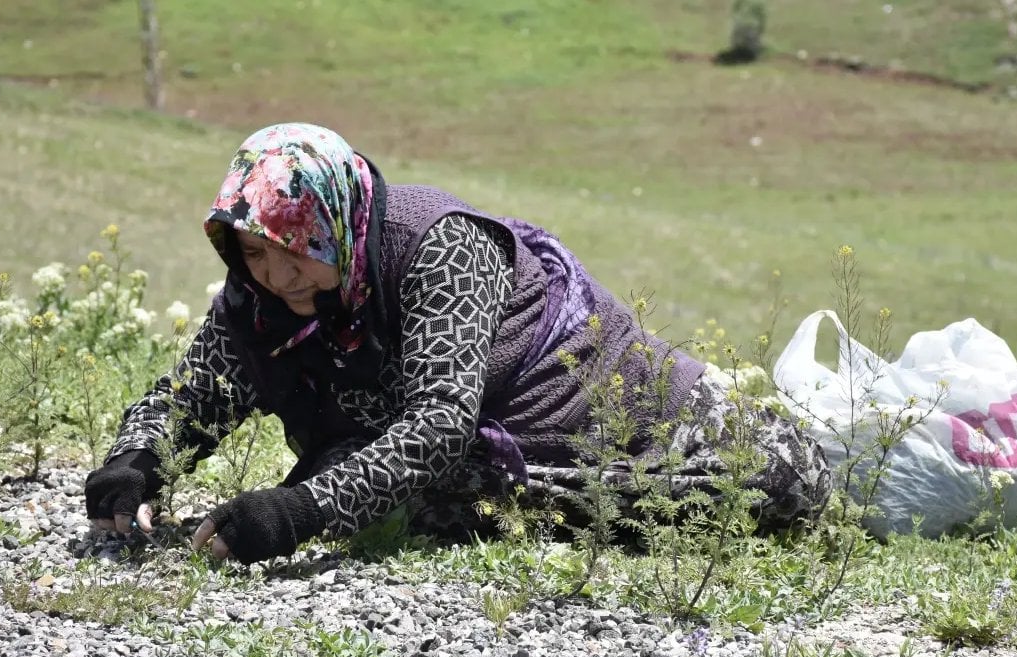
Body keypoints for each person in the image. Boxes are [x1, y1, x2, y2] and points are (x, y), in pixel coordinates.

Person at [84, 123, 831, 565]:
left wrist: (293, 513)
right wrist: (135, 464)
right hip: (489, 465)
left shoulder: (438, 246)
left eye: (297, 248)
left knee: (788, 486)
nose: (278, 275)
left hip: (643, 432)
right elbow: (197, 392)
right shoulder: (262, 291)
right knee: (417, 497)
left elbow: (437, 426)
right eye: (254, 253)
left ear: (338, 223)